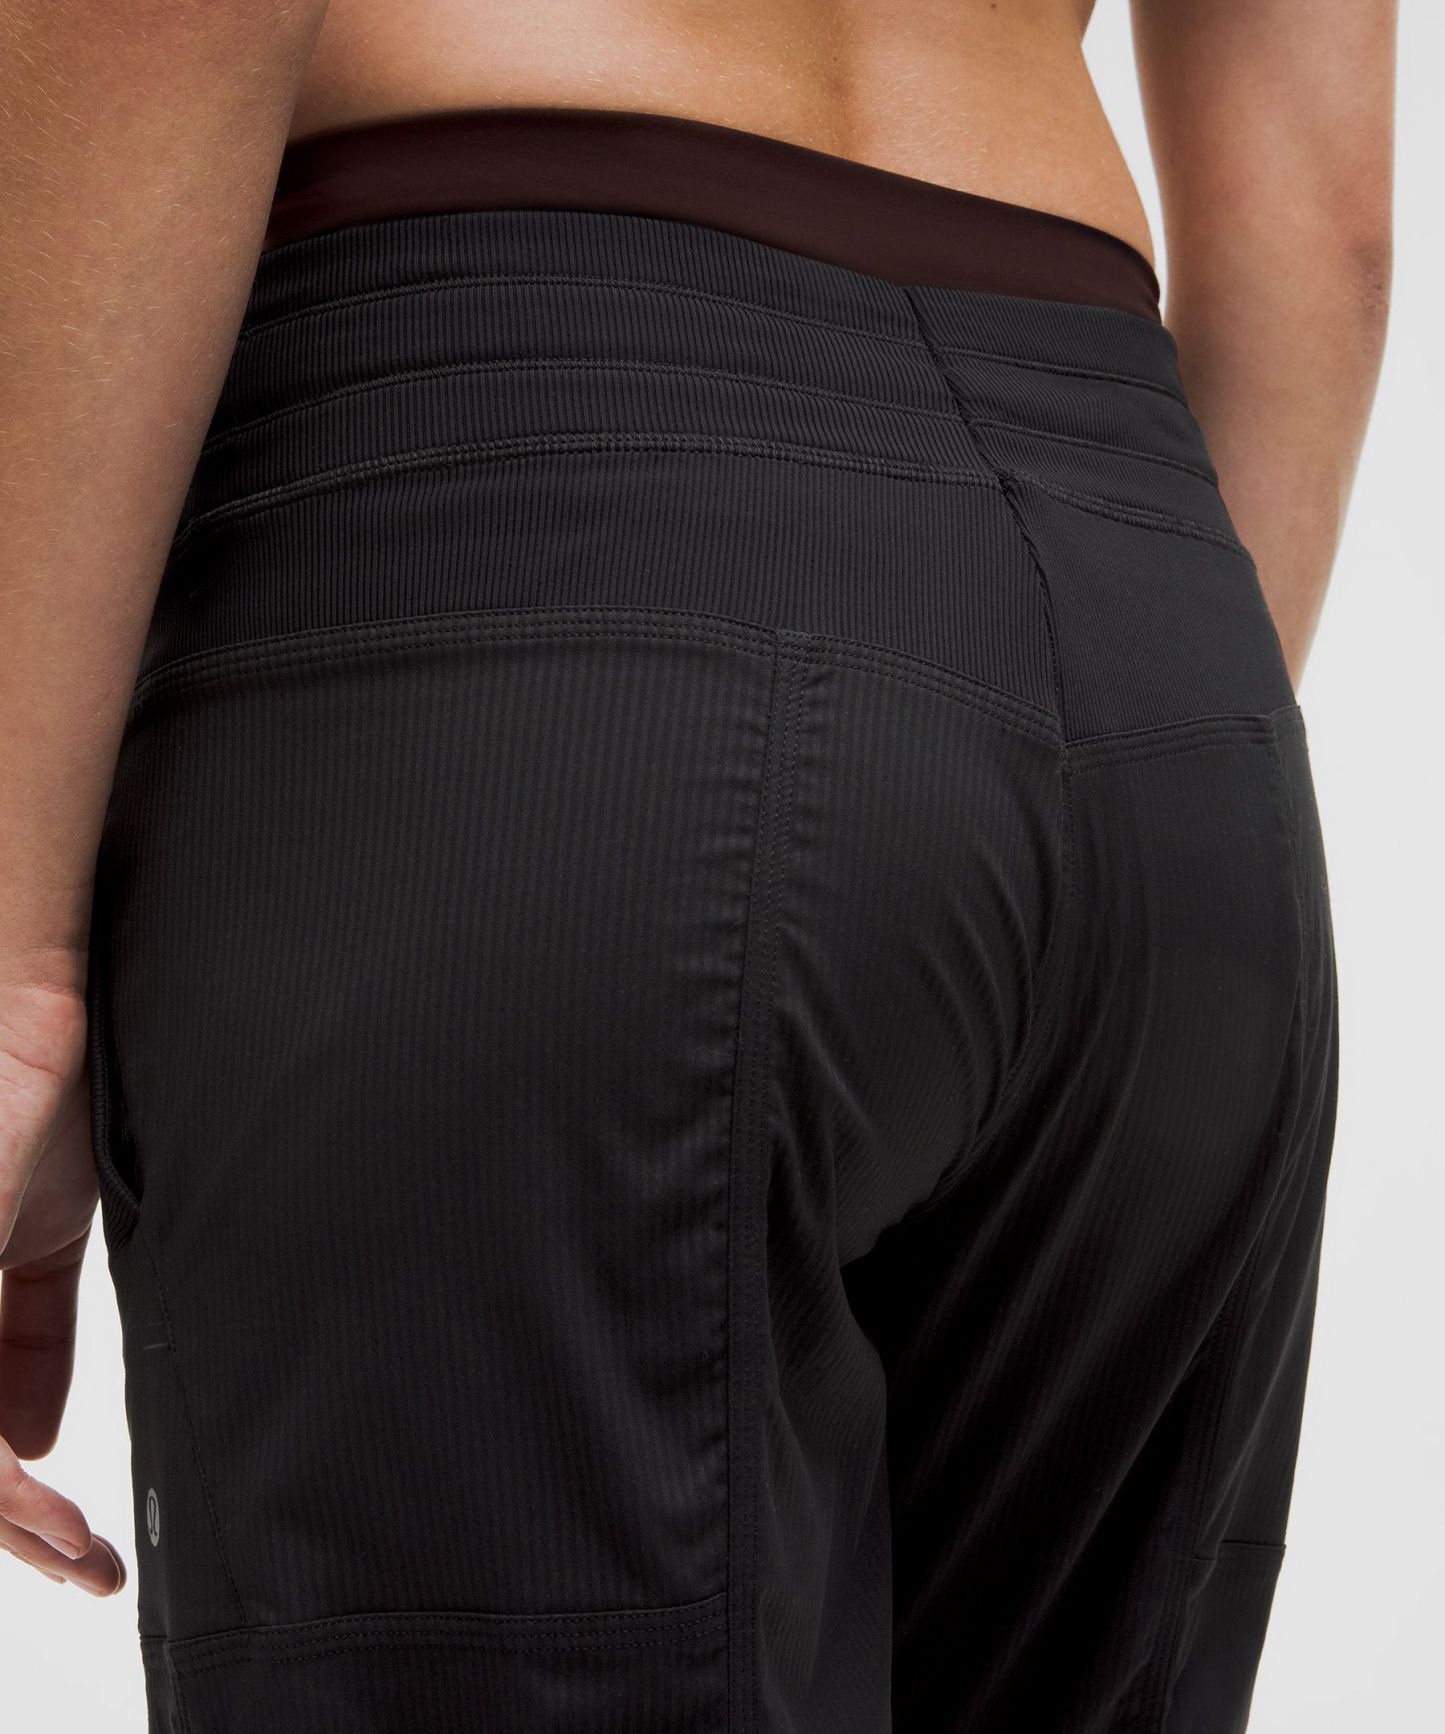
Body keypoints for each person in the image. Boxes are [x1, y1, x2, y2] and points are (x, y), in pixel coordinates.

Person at [0, 2, 1394, 1729]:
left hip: (527, 567)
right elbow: (1326, 233)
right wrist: (1145, 748)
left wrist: (18, 960)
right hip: (1159, 678)